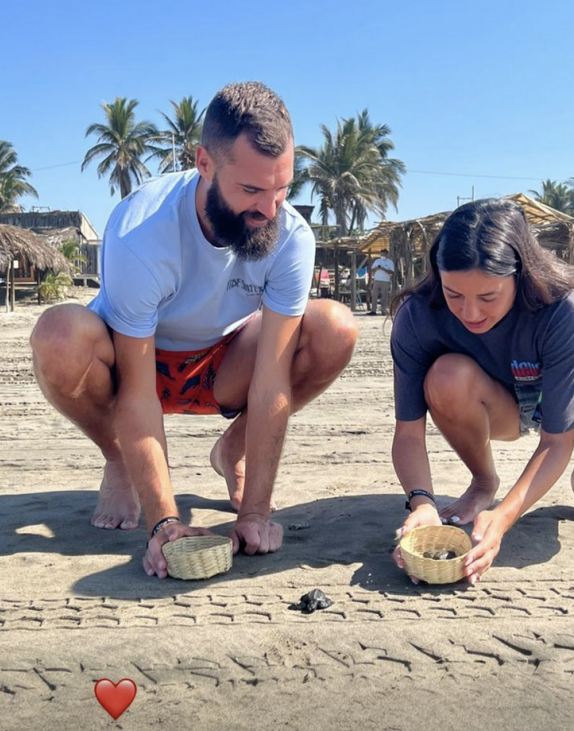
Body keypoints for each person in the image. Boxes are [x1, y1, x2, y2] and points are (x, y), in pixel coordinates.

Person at [30, 82, 358, 578]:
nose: (269, 210)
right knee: (58, 336)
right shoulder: (142, 230)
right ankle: (118, 457)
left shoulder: (289, 235)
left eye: (281, 188)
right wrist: (164, 521)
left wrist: (255, 513)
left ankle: (232, 447)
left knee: (334, 326)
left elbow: (271, 381)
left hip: (222, 363)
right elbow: (137, 393)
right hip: (132, 361)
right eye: (250, 190)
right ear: (204, 163)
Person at [390, 198, 574, 585]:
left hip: (563, 394)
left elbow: (556, 441)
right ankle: (483, 482)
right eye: (454, 294)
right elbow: (407, 433)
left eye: (488, 297)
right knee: (447, 375)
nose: (470, 313)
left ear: (521, 275)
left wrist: (504, 517)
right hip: (506, 402)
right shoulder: (418, 316)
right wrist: (421, 503)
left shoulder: (561, 310)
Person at [368, 248, 394, 315]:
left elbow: (391, 272)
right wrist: (377, 268)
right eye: (381, 254)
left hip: (385, 281)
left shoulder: (390, 262)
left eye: (384, 254)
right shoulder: (377, 261)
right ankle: (373, 310)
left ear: (386, 254)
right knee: (374, 295)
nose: (382, 255)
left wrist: (383, 269)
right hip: (377, 280)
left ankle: (383, 310)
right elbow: (372, 270)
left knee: (384, 296)